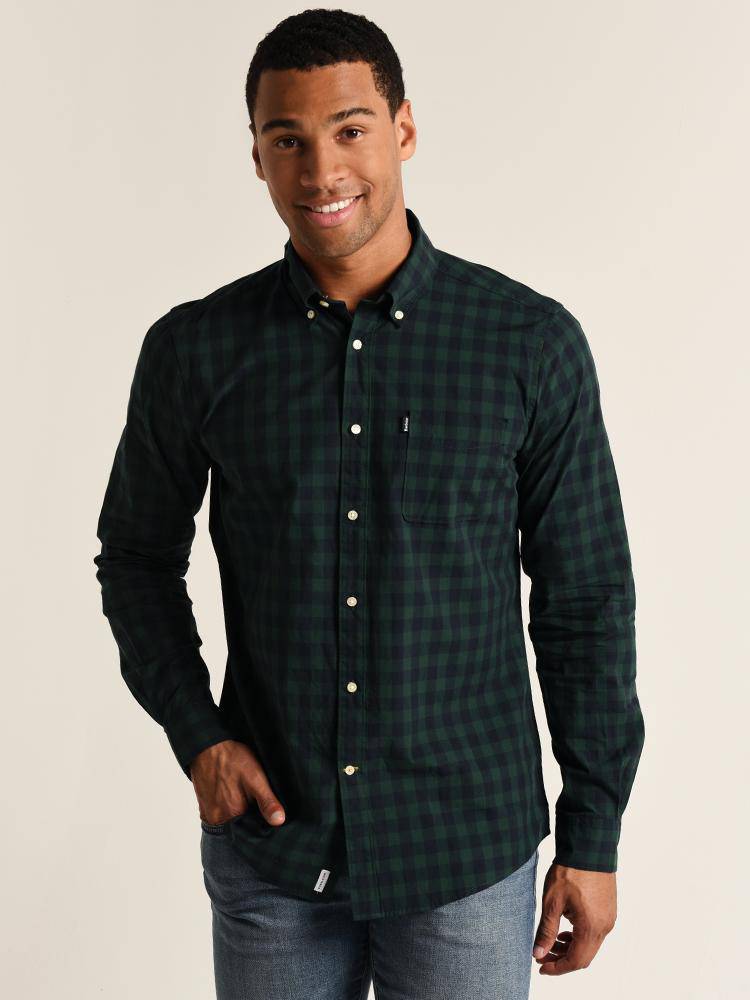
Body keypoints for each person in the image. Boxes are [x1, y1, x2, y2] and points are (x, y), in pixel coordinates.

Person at [93, 8, 645, 999]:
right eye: (287, 140)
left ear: (404, 129)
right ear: (256, 157)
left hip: (467, 858)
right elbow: (135, 557)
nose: (321, 171)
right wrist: (198, 736)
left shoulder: (527, 344)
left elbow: (586, 601)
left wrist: (593, 834)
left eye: (349, 129)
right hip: (274, 852)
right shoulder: (197, 350)